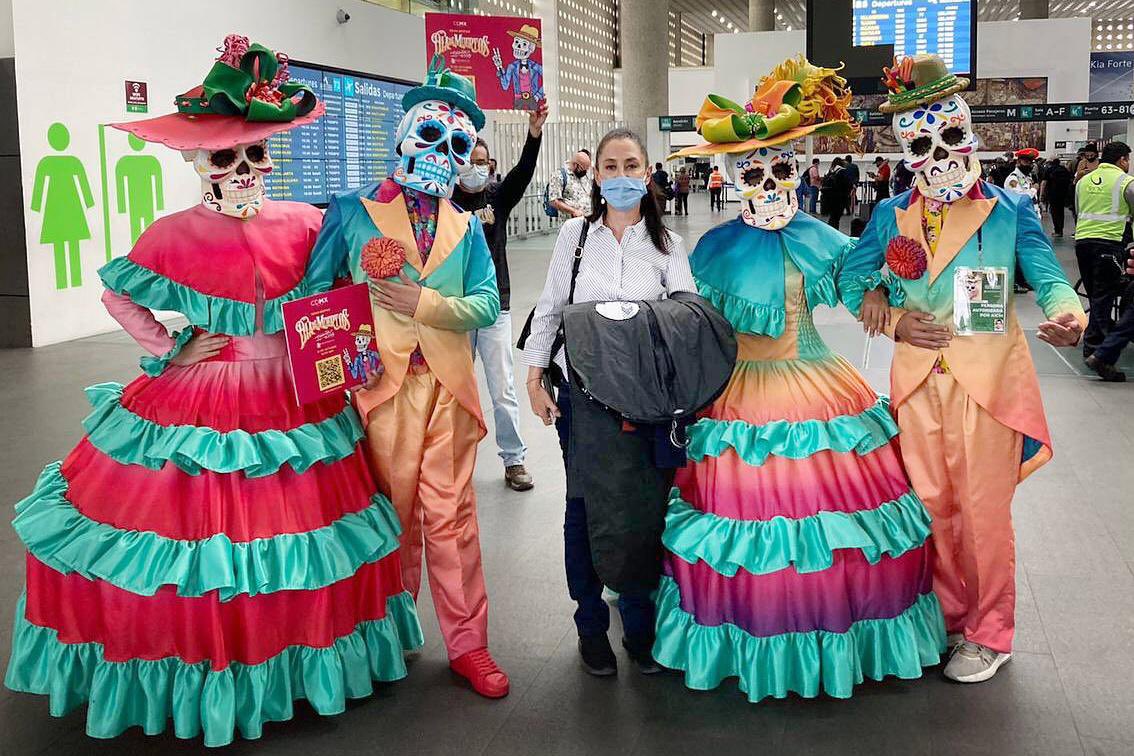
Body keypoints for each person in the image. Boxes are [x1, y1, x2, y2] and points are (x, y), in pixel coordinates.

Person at [3, 37, 423, 746]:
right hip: (205, 390)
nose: (245, 170)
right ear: (198, 165)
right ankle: (213, 665)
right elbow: (119, 296)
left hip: (293, 391)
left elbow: (345, 280)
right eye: (226, 158)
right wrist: (169, 348)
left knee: (300, 536)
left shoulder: (304, 221)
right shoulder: (172, 234)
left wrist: (365, 303)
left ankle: (292, 662)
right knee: (201, 541)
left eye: (257, 155)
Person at [655, 56, 944, 702]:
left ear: (796, 169)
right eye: (752, 171)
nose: (768, 181)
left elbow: (853, 289)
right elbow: (692, 325)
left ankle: (841, 630)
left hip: (816, 381)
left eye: (779, 167)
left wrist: (896, 318)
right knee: (753, 533)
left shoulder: (819, 236)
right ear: (733, 178)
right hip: (738, 395)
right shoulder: (712, 250)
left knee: (831, 531)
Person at [844, 53, 1086, 683]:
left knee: (983, 515)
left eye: (951, 135)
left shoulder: (1010, 209)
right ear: (905, 150)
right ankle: (948, 621)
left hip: (987, 385)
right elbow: (851, 275)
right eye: (922, 143)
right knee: (931, 510)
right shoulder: (889, 214)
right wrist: (885, 310)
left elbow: (1049, 275)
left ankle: (990, 630)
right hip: (919, 383)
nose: (941, 152)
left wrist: (1069, 314)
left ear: (969, 131)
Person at [305, 55, 509, 698]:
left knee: (452, 519)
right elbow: (314, 297)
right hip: (378, 389)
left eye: (457, 144)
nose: (443, 153)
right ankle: (388, 638)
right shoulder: (351, 212)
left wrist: (423, 304)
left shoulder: (467, 227)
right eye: (432, 136)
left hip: (447, 389)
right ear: (402, 137)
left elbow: (488, 304)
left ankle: (469, 646)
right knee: (389, 518)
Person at [523, 128, 696, 677]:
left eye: (632, 166)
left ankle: (640, 623)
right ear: (596, 175)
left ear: (647, 174)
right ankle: (591, 623)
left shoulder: (666, 244)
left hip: (646, 403)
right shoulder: (575, 237)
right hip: (583, 398)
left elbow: (687, 316)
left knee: (645, 506)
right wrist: (534, 377)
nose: (622, 177)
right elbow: (551, 310)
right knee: (583, 506)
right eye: (611, 167)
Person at [454, 100, 548, 491]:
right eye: (471, 159)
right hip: (454, 309)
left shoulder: (497, 197)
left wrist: (534, 134)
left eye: (484, 161)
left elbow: (523, 173)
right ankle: (453, 462)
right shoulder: (443, 202)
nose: (478, 166)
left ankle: (514, 460)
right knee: (453, 389)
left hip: (494, 306)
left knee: (503, 388)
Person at [1074, 140, 1134, 381]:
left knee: (1095, 293)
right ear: (1121, 160)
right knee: (1104, 297)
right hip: (1109, 244)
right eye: (1128, 159)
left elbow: (1078, 211)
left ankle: (1094, 344)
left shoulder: (1084, 181)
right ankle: (1098, 351)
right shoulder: (1126, 183)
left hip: (1083, 243)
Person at [548, 148, 593, 219]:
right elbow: (554, 201)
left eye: (586, 170)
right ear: (575, 165)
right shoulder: (559, 175)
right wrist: (574, 211)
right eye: (583, 170)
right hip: (571, 224)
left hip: (587, 221)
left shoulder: (582, 175)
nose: (585, 173)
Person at [1040, 157, 1073, 238]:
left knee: (1054, 212)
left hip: (1052, 194)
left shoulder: (1049, 169)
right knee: (1061, 212)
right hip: (1063, 194)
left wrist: (1041, 194)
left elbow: (1044, 182)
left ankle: (1057, 231)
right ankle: (1061, 229)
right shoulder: (1064, 170)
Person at [821, 157, 851, 229]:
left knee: (833, 217)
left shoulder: (829, 171)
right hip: (839, 199)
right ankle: (833, 233)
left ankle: (830, 231)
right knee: (836, 218)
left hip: (828, 198)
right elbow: (847, 185)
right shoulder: (843, 172)